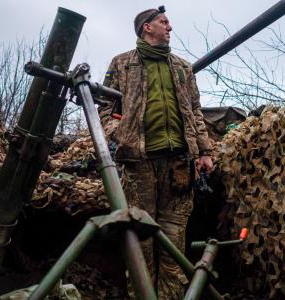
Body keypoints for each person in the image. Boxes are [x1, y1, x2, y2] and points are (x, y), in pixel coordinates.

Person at [103, 5, 213, 299]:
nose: (170, 27)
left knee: (174, 238)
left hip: (178, 162)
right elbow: (105, 109)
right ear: (146, 27)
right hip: (138, 163)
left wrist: (204, 151)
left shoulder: (182, 67)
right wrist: (120, 134)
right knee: (140, 239)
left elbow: (195, 111)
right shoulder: (121, 64)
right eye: (164, 22)